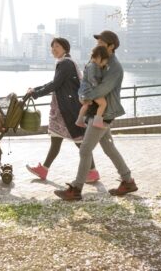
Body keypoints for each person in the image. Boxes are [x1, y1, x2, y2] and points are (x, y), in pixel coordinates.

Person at [54, 30, 137, 201]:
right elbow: (85, 80)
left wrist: (85, 96)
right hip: (95, 110)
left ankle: (76, 189)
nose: (97, 45)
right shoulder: (96, 59)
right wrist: (82, 95)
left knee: (85, 149)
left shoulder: (115, 67)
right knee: (109, 148)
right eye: (97, 42)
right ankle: (128, 181)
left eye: (101, 42)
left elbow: (102, 90)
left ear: (111, 46)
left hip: (104, 113)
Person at [25, 37, 100, 184]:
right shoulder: (64, 63)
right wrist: (35, 90)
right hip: (64, 108)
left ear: (65, 48)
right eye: (52, 47)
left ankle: (92, 172)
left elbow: (55, 84)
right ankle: (44, 169)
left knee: (80, 142)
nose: (54, 49)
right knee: (56, 139)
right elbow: (55, 83)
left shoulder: (65, 64)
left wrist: (36, 93)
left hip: (69, 109)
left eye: (57, 46)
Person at [75, 45, 109, 128]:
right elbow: (92, 79)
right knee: (103, 104)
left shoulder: (92, 65)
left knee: (86, 105)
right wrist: (98, 89)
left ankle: (79, 121)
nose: (105, 63)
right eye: (104, 60)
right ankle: (97, 122)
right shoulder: (92, 66)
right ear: (98, 57)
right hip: (89, 90)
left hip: (85, 90)